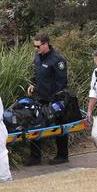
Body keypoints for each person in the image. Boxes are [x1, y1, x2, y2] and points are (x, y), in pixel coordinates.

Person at [24, 33, 70, 166]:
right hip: (39, 98)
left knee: (60, 126)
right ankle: (35, 157)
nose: (35, 48)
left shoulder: (57, 60)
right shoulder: (38, 57)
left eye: (37, 46)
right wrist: (33, 84)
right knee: (35, 125)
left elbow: (61, 82)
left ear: (45, 44)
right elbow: (37, 74)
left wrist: (54, 101)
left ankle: (62, 155)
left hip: (54, 100)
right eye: (34, 46)